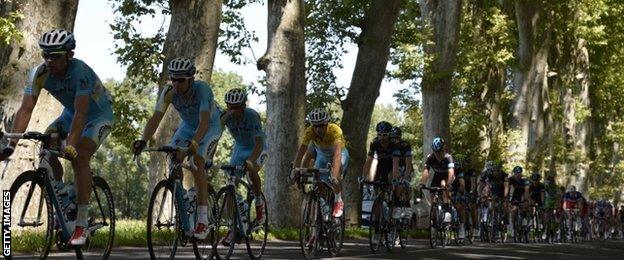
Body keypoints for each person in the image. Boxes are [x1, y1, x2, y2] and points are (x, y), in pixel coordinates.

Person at [0, 29, 114, 245]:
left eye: (56, 55)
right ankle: (62, 197)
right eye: (46, 55)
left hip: (98, 115)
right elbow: (26, 110)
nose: (49, 60)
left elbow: (82, 113)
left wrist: (71, 144)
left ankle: (81, 225)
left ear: (69, 55)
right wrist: (11, 144)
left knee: (79, 156)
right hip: (70, 115)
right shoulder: (39, 73)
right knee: (46, 143)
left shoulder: (80, 71)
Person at [132, 57, 222, 240]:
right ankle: (184, 202)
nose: (176, 83)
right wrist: (143, 139)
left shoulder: (202, 89)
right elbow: (156, 118)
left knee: (197, 160)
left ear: (190, 79)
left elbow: (204, 122)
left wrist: (193, 145)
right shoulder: (169, 91)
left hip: (211, 126)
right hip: (188, 126)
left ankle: (203, 220)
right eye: (173, 79)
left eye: (181, 80)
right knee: (173, 157)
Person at [219, 88, 267, 244]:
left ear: (244, 105)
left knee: (252, 171)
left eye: (237, 107)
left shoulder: (252, 116)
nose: (234, 111)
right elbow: (214, 135)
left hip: (256, 147)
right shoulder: (225, 117)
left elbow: (259, 144)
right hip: (240, 148)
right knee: (230, 183)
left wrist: (251, 160)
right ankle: (234, 227)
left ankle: (259, 203)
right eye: (230, 107)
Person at [291, 108, 349, 218]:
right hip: (323, 154)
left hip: (339, 153)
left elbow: (337, 155)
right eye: (315, 126)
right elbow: (301, 152)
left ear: (327, 124)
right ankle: (324, 207)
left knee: (335, 176)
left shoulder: (334, 130)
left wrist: (334, 175)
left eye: (321, 125)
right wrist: (295, 170)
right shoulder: (309, 132)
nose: (318, 129)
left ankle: (338, 200)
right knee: (318, 181)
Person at [419, 137, 455, 223]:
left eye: (440, 152)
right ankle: (434, 216)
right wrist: (422, 183)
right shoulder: (430, 158)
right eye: (436, 152)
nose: (438, 154)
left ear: (443, 150)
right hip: (437, 176)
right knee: (432, 193)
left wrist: (448, 184)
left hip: (448, 176)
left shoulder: (448, 157)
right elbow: (426, 171)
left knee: (443, 186)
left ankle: (447, 212)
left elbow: (451, 172)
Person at [390, 126, 413, 219]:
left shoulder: (405, 145)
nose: (394, 140)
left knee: (403, 184)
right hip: (393, 167)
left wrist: (406, 176)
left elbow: (408, 162)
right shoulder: (389, 145)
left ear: (400, 137)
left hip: (405, 166)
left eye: (397, 138)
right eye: (392, 138)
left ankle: (407, 205)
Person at [506, 165, 529, 237]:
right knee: (513, 211)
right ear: (514, 173)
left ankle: (525, 222)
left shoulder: (524, 180)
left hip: (522, 196)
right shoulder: (510, 179)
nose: (518, 174)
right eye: (516, 173)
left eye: (519, 173)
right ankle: (513, 227)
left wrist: (525, 199)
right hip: (514, 196)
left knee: (525, 207)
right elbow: (508, 189)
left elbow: (527, 191)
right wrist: (508, 199)